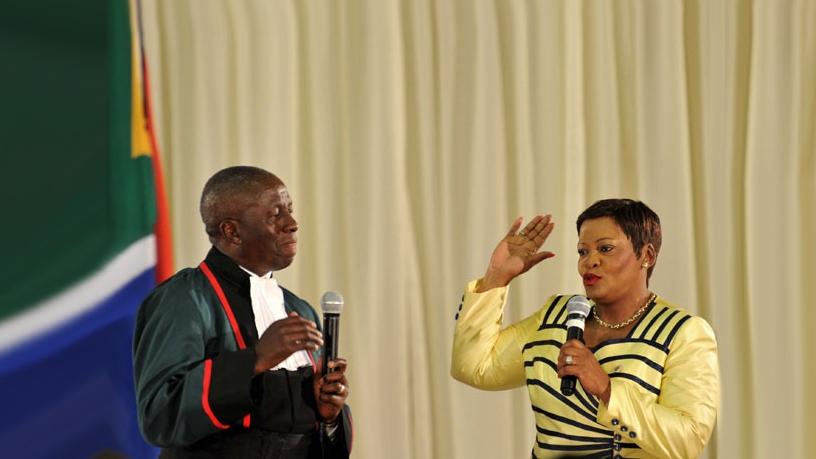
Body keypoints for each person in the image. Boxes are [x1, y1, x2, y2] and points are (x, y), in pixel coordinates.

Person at [451, 199, 719, 459]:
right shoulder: (557, 315)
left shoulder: (683, 332)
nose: (589, 261)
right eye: (583, 251)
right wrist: (496, 277)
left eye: (605, 249)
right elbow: (475, 367)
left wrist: (606, 388)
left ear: (646, 255)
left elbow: (688, 440)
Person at [133, 166, 352, 459]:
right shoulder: (182, 300)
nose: (292, 223)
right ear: (231, 231)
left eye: (290, 210)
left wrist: (328, 415)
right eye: (276, 214)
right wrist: (256, 359)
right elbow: (159, 416)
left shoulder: (299, 309)